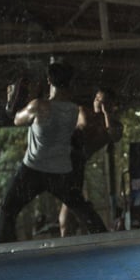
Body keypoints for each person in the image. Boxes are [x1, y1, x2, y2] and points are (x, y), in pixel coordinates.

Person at [0, 61, 108, 243]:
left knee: (7, 210)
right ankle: (106, 240)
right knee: (82, 209)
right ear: (69, 82)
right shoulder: (73, 110)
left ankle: (2, 251)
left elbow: (16, 119)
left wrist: (11, 100)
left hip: (33, 169)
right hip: (61, 171)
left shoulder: (38, 106)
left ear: (49, 80)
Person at [59, 87, 123, 236]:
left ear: (112, 104)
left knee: (72, 202)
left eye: (104, 101)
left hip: (77, 164)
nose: (99, 103)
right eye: (97, 99)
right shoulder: (82, 112)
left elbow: (114, 136)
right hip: (64, 158)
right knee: (71, 202)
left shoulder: (114, 125)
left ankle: (71, 234)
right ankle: (68, 233)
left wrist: (107, 113)